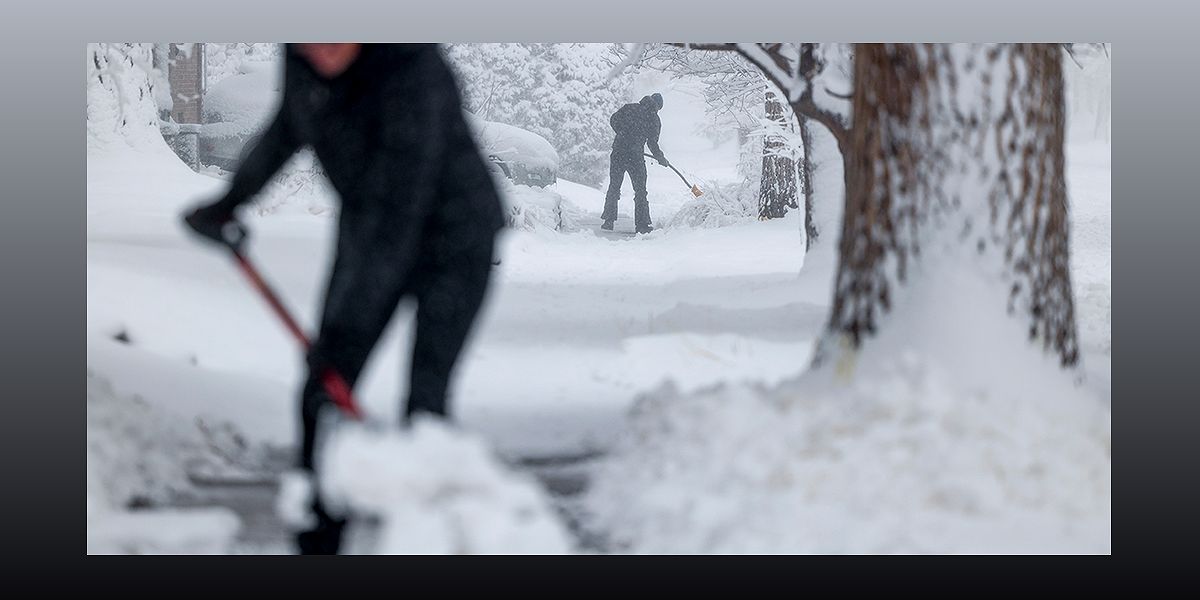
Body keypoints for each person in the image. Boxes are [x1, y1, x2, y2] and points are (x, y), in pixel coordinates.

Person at [181, 43, 505, 554]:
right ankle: (319, 539)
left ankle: (430, 541)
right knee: (321, 392)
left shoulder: (413, 66)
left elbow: (403, 195)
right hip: (369, 225)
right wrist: (229, 203)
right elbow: (287, 129)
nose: (324, 44)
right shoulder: (304, 61)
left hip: (455, 239)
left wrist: (347, 319)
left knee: (425, 404)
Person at [601, 93, 669, 234]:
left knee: (614, 186)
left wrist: (622, 133)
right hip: (635, 157)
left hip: (618, 152)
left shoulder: (630, 108)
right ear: (657, 106)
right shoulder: (654, 118)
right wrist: (660, 157)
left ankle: (608, 220)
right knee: (640, 191)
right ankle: (642, 225)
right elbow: (652, 142)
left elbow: (614, 119)